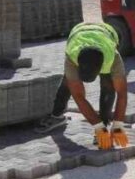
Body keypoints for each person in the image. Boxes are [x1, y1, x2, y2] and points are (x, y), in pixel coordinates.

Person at [35, 22, 129, 150]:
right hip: (78, 34)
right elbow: (79, 97)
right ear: (78, 65)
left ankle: (105, 124)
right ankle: (57, 116)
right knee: (68, 83)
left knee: (108, 86)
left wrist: (118, 125)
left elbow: (122, 93)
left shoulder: (112, 58)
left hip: (107, 35)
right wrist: (97, 127)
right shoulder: (72, 56)